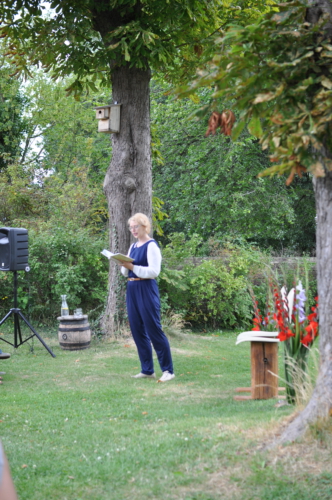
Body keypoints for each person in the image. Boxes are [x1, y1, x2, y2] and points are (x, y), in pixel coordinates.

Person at [118, 213, 175, 382]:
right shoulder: (133, 246)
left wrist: (132, 266)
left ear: (145, 227)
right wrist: (123, 264)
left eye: (136, 226)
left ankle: (168, 370)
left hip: (146, 289)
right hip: (132, 288)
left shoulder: (151, 246)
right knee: (137, 330)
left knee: (153, 330)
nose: (133, 230)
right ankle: (147, 369)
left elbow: (154, 272)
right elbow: (125, 272)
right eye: (131, 227)